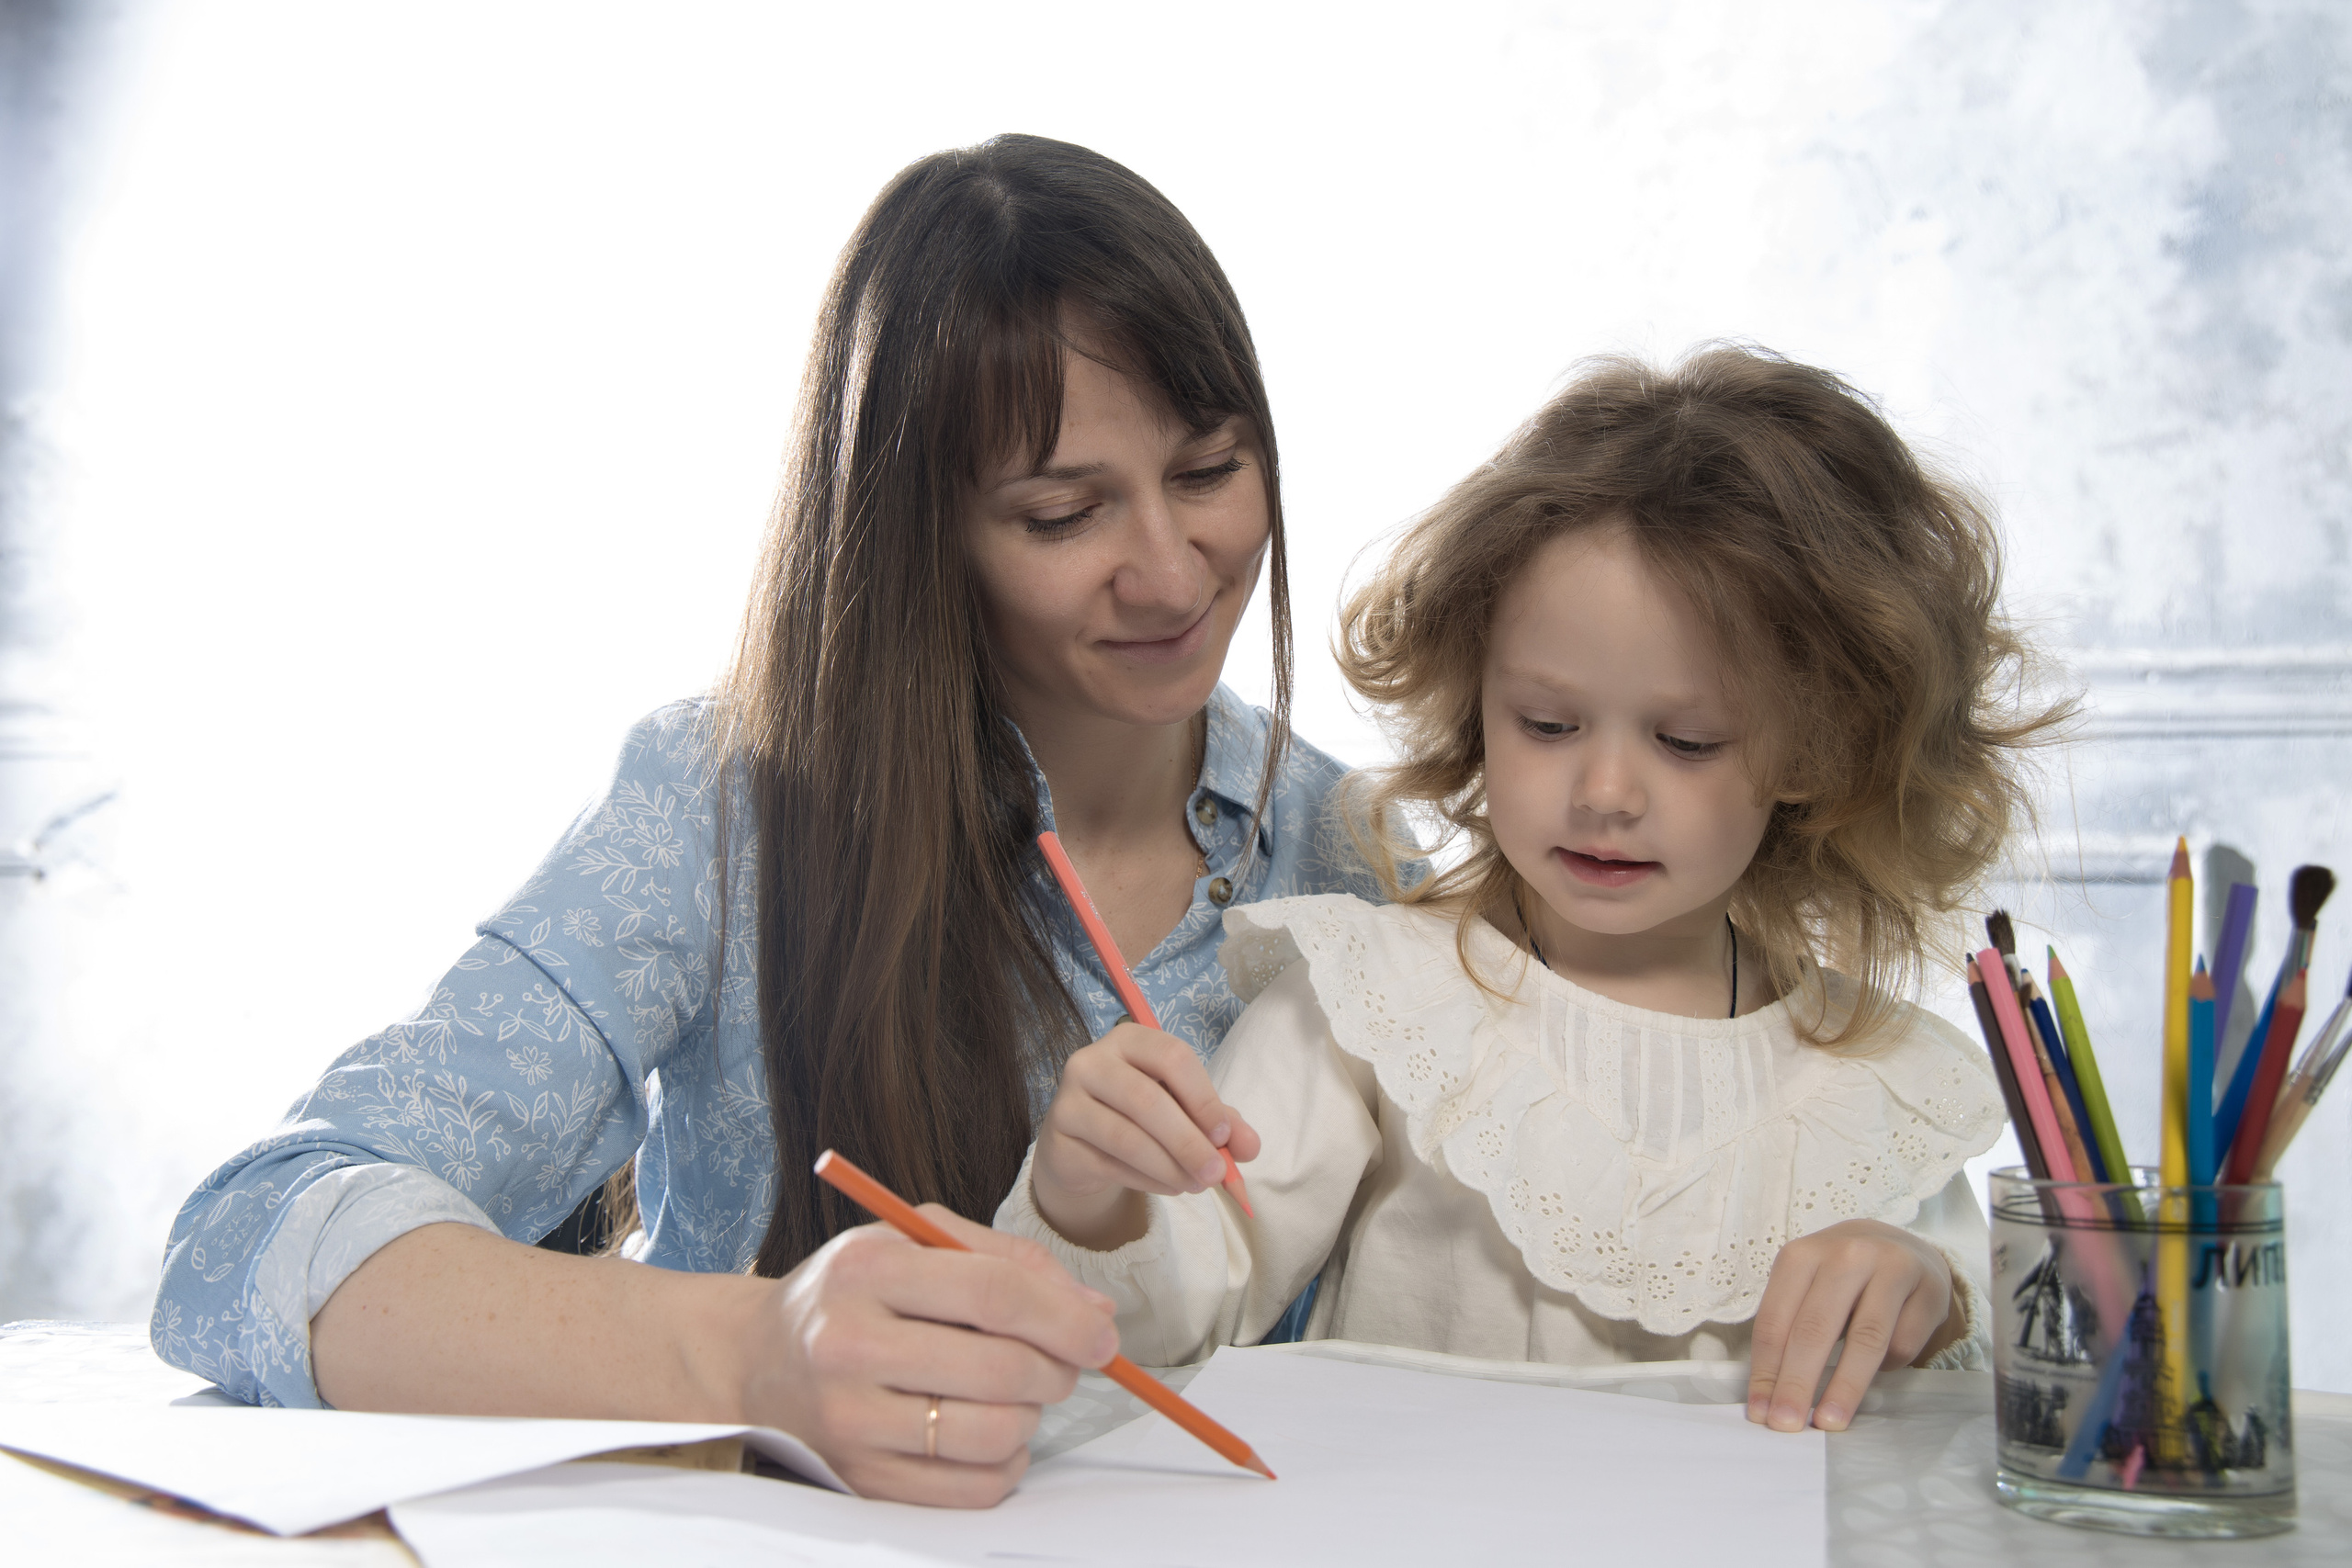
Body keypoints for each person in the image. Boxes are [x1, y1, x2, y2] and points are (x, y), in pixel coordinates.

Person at [151, 134, 1381, 1506]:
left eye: (1210, 470)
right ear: (923, 537)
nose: (1169, 568)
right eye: (1061, 511)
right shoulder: (721, 808)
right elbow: (244, 1237)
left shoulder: (1357, 851)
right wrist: (757, 1348)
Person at [1000, 345, 2067, 1435]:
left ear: (1818, 750)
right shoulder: (1371, 1002)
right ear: (1475, 702)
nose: (1604, 792)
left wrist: (1927, 1298)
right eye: (1546, 725)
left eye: (1687, 740)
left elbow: (1974, 1399)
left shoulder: (1873, 1079)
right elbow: (1173, 1313)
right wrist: (1092, 1195)